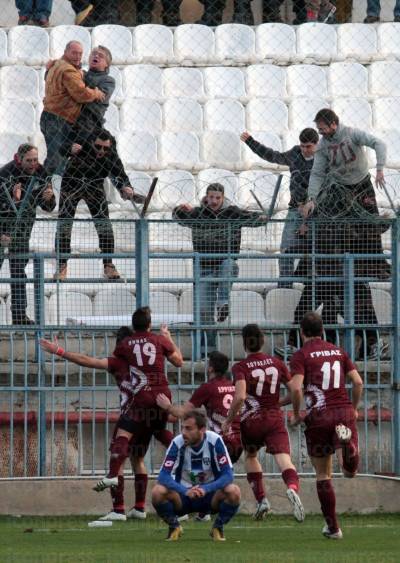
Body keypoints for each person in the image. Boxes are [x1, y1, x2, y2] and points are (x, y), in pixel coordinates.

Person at [40, 306, 183, 490]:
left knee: (122, 443)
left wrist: (60, 351)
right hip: (161, 397)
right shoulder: (158, 340)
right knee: (152, 440)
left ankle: (115, 487)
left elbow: (88, 360)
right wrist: (167, 336)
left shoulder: (121, 354)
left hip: (135, 407)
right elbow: (179, 361)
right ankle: (185, 455)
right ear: (149, 324)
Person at [300, 108, 390, 358]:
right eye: (318, 129)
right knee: (332, 226)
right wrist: (311, 199)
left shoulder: (351, 134)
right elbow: (317, 173)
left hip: (360, 185)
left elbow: (378, 142)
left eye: (322, 128)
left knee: (370, 225)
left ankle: (374, 261)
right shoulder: (322, 148)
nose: (320, 133)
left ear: (333, 124)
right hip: (338, 188)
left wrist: (380, 167)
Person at [289, 312, 363, 539]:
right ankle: (347, 447)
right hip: (343, 411)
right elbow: (358, 381)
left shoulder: (301, 355)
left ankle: (333, 528)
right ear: (322, 330)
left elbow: (295, 388)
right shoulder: (339, 351)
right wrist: (354, 407)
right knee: (349, 473)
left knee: (323, 475)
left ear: (302, 333)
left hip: (319, 416)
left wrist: (296, 413)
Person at [222, 324, 305, 522]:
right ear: (263, 341)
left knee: (251, 456)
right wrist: (291, 409)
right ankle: (292, 488)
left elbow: (240, 396)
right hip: (274, 418)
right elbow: (295, 390)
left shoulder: (240, 367)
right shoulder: (277, 363)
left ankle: (261, 500)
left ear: (244, 343)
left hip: (251, 421)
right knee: (283, 459)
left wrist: (229, 420)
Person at [173, 183, 267, 355]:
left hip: (224, 264)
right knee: (204, 311)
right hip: (204, 268)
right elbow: (178, 218)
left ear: (223, 198)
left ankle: (223, 302)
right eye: (211, 197)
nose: (214, 201)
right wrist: (179, 208)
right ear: (206, 197)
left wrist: (263, 218)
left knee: (229, 264)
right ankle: (208, 350)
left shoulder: (233, 212)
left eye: (217, 198)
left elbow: (256, 220)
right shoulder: (197, 213)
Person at [96, 326, 175, 522]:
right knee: (138, 459)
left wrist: (60, 352)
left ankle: (118, 508)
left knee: (119, 456)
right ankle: (140, 507)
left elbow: (91, 362)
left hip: (131, 413)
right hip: (149, 412)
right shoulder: (142, 362)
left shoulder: (117, 363)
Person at [53, 128, 144, 281]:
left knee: (104, 225)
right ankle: (62, 264)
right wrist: (70, 149)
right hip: (71, 185)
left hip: (95, 186)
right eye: (98, 147)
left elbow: (120, 173)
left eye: (105, 148)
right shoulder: (81, 141)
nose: (102, 150)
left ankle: (108, 264)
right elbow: (60, 149)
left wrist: (127, 187)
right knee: (64, 224)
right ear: (91, 142)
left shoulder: (111, 155)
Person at [241, 128, 319, 287]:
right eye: (302, 146)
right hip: (295, 210)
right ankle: (285, 287)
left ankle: (313, 289)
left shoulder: (323, 160)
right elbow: (272, 155)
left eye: (309, 147)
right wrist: (251, 142)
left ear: (317, 145)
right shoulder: (295, 154)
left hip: (317, 212)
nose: (305, 150)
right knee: (286, 251)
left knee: (315, 253)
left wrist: (311, 208)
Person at [152, 409, 241, 541]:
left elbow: (228, 475)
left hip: (210, 496)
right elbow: (163, 476)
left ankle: (218, 527)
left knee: (234, 491)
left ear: (202, 430)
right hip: (183, 497)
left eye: (189, 429)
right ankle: (174, 526)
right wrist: (185, 491)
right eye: (183, 428)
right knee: (157, 492)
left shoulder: (215, 440)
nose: (183, 433)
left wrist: (206, 489)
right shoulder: (177, 442)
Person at [0, 144, 55, 325]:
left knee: (18, 271)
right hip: (2, 227)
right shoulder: (5, 174)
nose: (33, 164)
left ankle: (19, 315)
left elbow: (48, 207)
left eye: (35, 160)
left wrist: (49, 199)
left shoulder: (41, 173)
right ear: (19, 159)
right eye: (29, 161)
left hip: (22, 231)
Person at [40, 41, 105, 175]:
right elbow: (81, 94)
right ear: (65, 52)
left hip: (52, 116)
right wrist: (96, 93)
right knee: (56, 159)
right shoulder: (68, 70)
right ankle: (43, 189)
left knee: (58, 157)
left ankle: (48, 188)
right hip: (58, 119)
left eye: (80, 53)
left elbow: (48, 77)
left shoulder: (57, 64)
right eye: (74, 53)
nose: (78, 56)